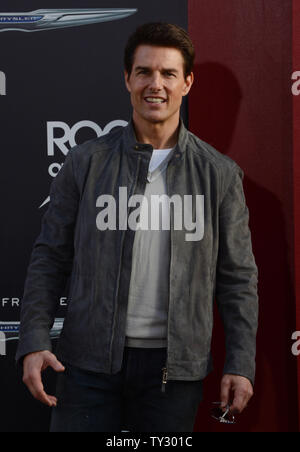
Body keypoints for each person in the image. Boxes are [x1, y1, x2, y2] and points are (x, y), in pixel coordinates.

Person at [16, 22, 258, 432]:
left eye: (168, 73)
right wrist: (35, 339)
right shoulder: (85, 163)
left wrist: (240, 363)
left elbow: (237, 280)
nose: (155, 84)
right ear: (127, 78)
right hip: (87, 366)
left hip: (175, 374)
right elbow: (49, 257)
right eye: (144, 72)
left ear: (187, 83)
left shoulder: (219, 174)